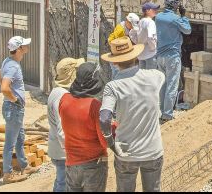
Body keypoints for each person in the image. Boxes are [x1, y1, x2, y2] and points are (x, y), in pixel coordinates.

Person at [100, 37, 165, 193]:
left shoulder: (112, 86)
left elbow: (104, 118)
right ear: (136, 57)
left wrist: (111, 143)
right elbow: (162, 78)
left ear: (115, 63)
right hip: (153, 150)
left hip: (126, 152)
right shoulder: (155, 76)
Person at [59, 62, 109, 192]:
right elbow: (104, 141)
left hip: (71, 164)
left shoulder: (64, 100)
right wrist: (114, 126)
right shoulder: (95, 106)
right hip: (94, 164)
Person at [0, 36, 39, 184]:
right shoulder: (13, 66)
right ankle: (7, 174)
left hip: (14, 108)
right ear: (19, 49)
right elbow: (4, 87)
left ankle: (24, 166)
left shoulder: (8, 61)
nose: (27, 46)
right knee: (10, 142)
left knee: (20, 138)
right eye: (24, 45)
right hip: (14, 108)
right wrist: (15, 99)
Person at [48, 57, 84, 192]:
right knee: (64, 185)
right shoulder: (63, 97)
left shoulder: (56, 91)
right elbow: (62, 131)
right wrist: (74, 153)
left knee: (60, 182)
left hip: (58, 149)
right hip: (64, 153)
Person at [154, 0, 191, 123]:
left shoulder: (158, 17)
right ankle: (167, 115)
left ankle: (161, 112)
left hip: (160, 56)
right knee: (172, 86)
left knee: (163, 85)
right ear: (175, 4)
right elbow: (187, 30)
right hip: (172, 57)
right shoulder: (176, 18)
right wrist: (183, 15)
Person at [108, 13, 140, 78]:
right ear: (128, 22)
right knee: (117, 72)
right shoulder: (120, 30)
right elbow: (119, 46)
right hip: (117, 53)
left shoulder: (129, 28)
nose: (132, 27)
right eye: (132, 25)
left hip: (124, 53)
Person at [131, 3, 159, 70]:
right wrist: (153, 48)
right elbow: (150, 37)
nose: (156, 11)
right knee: (150, 75)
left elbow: (132, 34)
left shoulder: (140, 21)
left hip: (141, 54)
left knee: (142, 75)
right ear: (147, 11)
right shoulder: (150, 22)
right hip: (150, 54)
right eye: (153, 9)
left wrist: (138, 43)